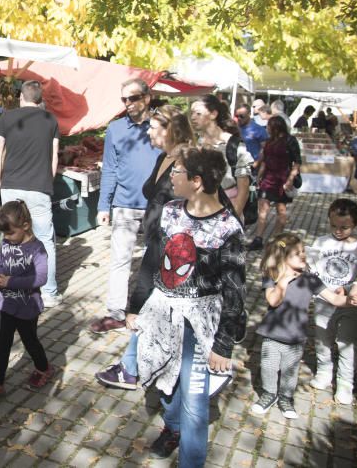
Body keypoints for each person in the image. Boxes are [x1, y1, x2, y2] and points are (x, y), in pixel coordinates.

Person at [135, 147, 246, 466]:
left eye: (177, 172)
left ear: (196, 181)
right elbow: (152, 260)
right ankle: (172, 427)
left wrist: (223, 345)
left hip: (200, 325)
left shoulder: (228, 228)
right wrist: (135, 305)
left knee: (195, 404)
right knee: (165, 383)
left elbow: (235, 289)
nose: (170, 175)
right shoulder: (169, 211)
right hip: (162, 316)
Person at [95, 105, 194, 390]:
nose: (147, 131)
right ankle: (133, 365)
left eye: (153, 127)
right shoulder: (166, 157)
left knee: (149, 305)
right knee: (152, 308)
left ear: (170, 130)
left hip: (168, 250)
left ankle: (135, 368)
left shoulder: (185, 163)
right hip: (156, 242)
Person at [250, 234, 352, 418]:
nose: (303, 255)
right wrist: (283, 282)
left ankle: (286, 398)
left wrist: (350, 299)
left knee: (290, 370)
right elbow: (273, 301)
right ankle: (269, 394)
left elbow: (334, 298)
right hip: (272, 334)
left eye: (303, 251)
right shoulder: (272, 276)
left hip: (296, 337)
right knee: (268, 367)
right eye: (298, 253)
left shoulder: (310, 279)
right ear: (284, 257)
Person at [90, 78, 161, 333]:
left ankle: (148, 310)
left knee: (153, 261)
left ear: (147, 98)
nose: (128, 104)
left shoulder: (160, 127)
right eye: (124, 99)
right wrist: (103, 206)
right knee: (120, 260)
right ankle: (116, 312)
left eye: (133, 98)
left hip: (155, 205)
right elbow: (109, 168)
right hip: (124, 204)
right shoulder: (116, 129)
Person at [0, 80, 62, 306]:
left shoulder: (7, 118)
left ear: (21, 97)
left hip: (11, 184)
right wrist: (48, 182)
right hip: (40, 187)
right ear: (40, 99)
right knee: (44, 240)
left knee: (10, 236)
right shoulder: (51, 120)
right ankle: (49, 292)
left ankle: (6, 285)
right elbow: (54, 156)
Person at [0, 200, 52, 403]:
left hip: (28, 307)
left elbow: (40, 278)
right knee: (1, 345)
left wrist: (12, 282)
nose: (6, 238)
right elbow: (0, 262)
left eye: (10, 233)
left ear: (25, 226)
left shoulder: (37, 249)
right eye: (4, 234)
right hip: (5, 304)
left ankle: (43, 368)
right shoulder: (7, 243)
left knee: (30, 341)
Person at [306, 199, 357, 405]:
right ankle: (324, 373)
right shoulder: (321, 242)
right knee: (322, 340)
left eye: (344, 227)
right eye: (334, 226)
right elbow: (311, 271)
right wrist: (323, 290)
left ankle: (345, 383)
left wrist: (350, 290)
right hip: (324, 301)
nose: (338, 231)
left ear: (355, 224)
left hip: (348, 305)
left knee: (346, 343)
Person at [190, 95, 253, 220]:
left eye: (198, 113)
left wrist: (231, 220)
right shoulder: (195, 143)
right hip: (197, 210)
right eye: (192, 113)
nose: (192, 117)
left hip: (226, 210)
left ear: (213, 114)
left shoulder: (234, 145)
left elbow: (244, 188)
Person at [248, 115, 302, 251]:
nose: (267, 129)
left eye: (269, 126)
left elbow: (297, 162)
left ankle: (276, 240)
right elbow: (265, 160)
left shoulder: (290, 140)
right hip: (268, 178)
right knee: (263, 209)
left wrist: (290, 180)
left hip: (282, 178)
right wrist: (258, 177)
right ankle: (258, 238)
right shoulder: (269, 141)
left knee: (281, 210)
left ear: (276, 127)